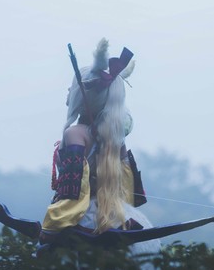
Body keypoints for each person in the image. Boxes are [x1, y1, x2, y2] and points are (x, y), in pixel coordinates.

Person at [39, 38, 159, 253]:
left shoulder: (75, 133)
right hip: (114, 213)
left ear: (82, 94)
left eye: (72, 87)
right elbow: (126, 184)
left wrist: (52, 227)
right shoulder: (115, 138)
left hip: (83, 217)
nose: (68, 89)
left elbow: (73, 190)